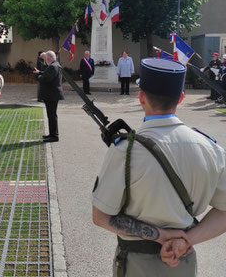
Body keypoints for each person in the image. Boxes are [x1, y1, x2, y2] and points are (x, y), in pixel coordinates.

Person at [92, 57, 226, 276]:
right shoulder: (210, 149)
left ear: (141, 96)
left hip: (136, 264)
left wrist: (160, 236)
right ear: (181, 98)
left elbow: (101, 216)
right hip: (182, 261)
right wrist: (186, 240)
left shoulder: (125, 151)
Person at [33, 50, 64, 143]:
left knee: (52, 115)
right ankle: (52, 134)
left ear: (49, 58)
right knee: (51, 115)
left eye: (46, 58)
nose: (45, 60)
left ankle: (54, 136)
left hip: (52, 94)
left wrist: (39, 77)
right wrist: (40, 72)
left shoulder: (53, 66)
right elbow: (47, 74)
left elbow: (47, 79)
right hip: (52, 94)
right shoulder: (55, 65)